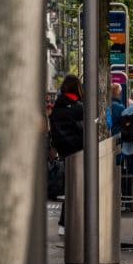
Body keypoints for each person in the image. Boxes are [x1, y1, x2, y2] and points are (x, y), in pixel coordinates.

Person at [49, 75, 84, 236]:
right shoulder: (79, 108)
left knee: (70, 187)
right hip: (78, 151)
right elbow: (84, 129)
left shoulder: (57, 107)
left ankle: (64, 223)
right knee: (78, 188)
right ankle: (75, 222)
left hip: (63, 152)